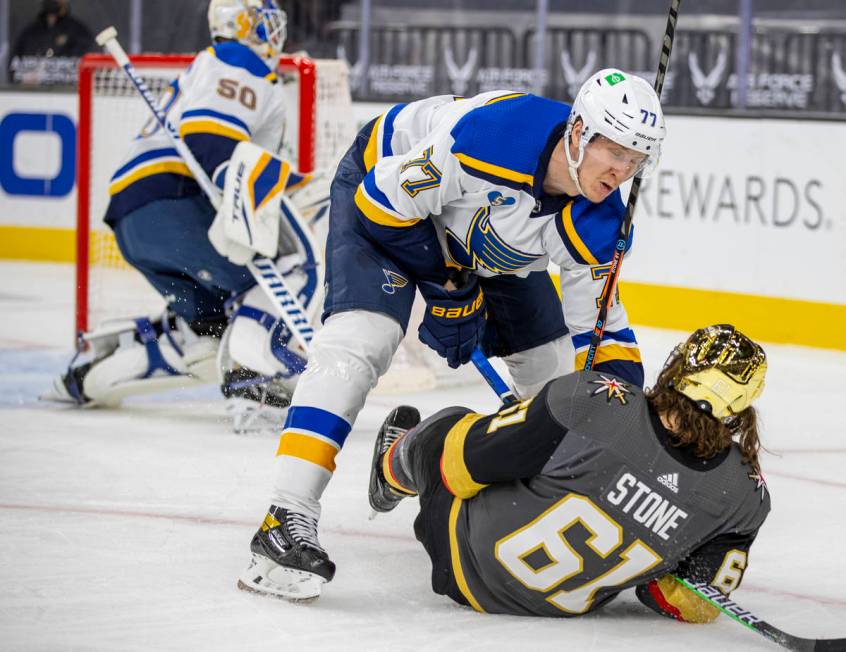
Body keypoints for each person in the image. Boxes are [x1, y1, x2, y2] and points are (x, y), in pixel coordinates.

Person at [238, 69, 667, 599]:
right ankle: (286, 516)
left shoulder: (599, 220)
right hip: (385, 195)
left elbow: (601, 337)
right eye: (616, 152)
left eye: (637, 159)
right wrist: (449, 291)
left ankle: (407, 455)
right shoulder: (489, 140)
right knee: (361, 341)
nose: (623, 171)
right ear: (578, 132)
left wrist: (631, 433)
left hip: (483, 237)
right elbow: (379, 205)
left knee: (552, 373)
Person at [365, 324, 770, 619]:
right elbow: (683, 600)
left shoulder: (596, 400)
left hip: (462, 564)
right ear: (740, 410)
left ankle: (390, 473)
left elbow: (461, 466)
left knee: (450, 426)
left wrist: (528, 431)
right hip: (561, 608)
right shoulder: (743, 493)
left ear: (678, 367)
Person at [47, 0, 321, 430]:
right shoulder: (238, 60)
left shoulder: (205, 68)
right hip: (178, 201)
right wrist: (288, 182)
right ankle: (254, 380)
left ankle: (96, 374)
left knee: (214, 329)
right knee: (295, 264)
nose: (273, 36)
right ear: (245, 24)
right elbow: (210, 139)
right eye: (266, 23)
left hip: (133, 220)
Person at [10, 0, 95, 85]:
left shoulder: (78, 31)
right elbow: (14, 64)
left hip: (64, 92)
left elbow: (84, 65)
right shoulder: (30, 31)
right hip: (31, 92)